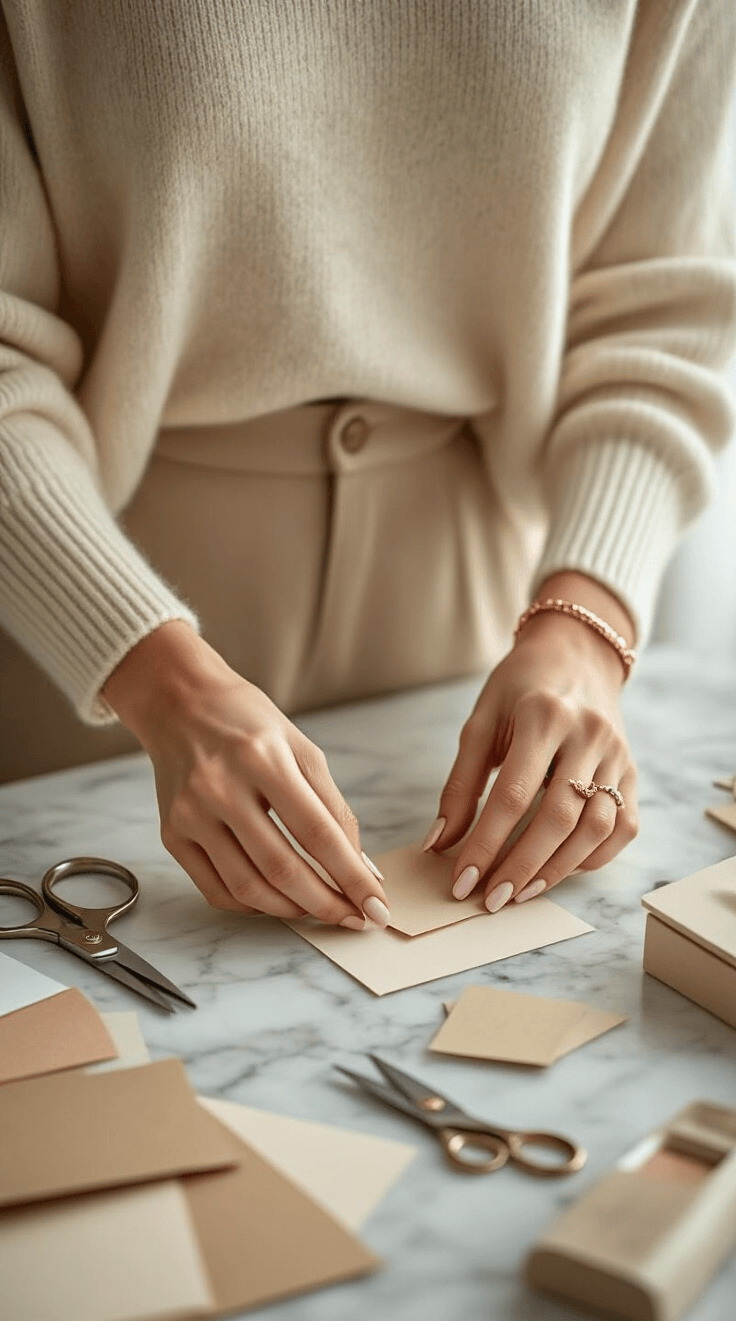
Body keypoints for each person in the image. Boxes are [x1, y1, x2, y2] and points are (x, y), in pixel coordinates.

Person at [1, 1, 735, 931]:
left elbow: (661, 315)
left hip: (472, 623)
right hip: (87, 611)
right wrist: (153, 676)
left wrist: (587, 631)